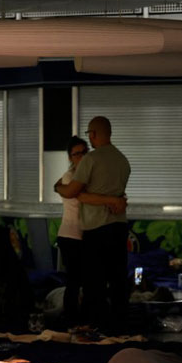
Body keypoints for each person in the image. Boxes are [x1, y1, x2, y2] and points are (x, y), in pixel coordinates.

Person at [55, 116, 131, 331]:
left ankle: (98, 325)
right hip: (118, 225)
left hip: (96, 229)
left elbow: (74, 193)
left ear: (94, 135)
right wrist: (115, 200)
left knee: (94, 281)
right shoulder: (122, 160)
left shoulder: (92, 160)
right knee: (117, 278)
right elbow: (117, 196)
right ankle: (119, 324)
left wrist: (57, 187)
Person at [55, 137, 88, 328]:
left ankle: (80, 318)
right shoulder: (70, 178)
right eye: (77, 153)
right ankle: (70, 320)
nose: (82, 156)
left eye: (85, 152)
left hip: (84, 235)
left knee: (83, 279)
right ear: (70, 157)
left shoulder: (85, 175)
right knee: (74, 280)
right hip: (70, 235)